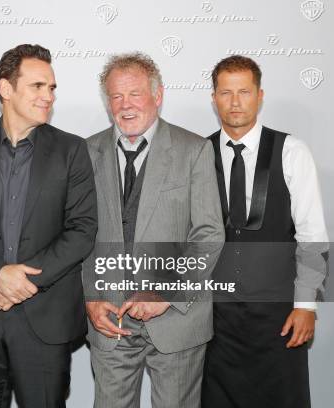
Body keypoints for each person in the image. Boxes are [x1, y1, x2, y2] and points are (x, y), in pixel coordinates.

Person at [0, 44, 98, 408]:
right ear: (5, 89)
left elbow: (82, 229)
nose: (48, 96)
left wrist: (19, 282)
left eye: (52, 88)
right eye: (38, 86)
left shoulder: (71, 150)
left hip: (43, 317)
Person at [82, 52, 224, 408]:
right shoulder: (86, 152)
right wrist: (89, 297)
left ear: (157, 96)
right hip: (109, 320)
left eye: (134, 94)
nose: (125, 105)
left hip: (177, 319)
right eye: (116, 96)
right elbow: (77, 234)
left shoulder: (194, 150)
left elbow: (208, 235)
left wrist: (164, 294)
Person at [201, 55, 329, 408]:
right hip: (217, 320)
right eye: (226, 93)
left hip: (279, 315)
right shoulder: (198, 153)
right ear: (214, 98)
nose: (236, 102)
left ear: (260, 95)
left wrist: (305, 305)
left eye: (244, 91)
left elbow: (312, 236)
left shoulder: (292, 151)